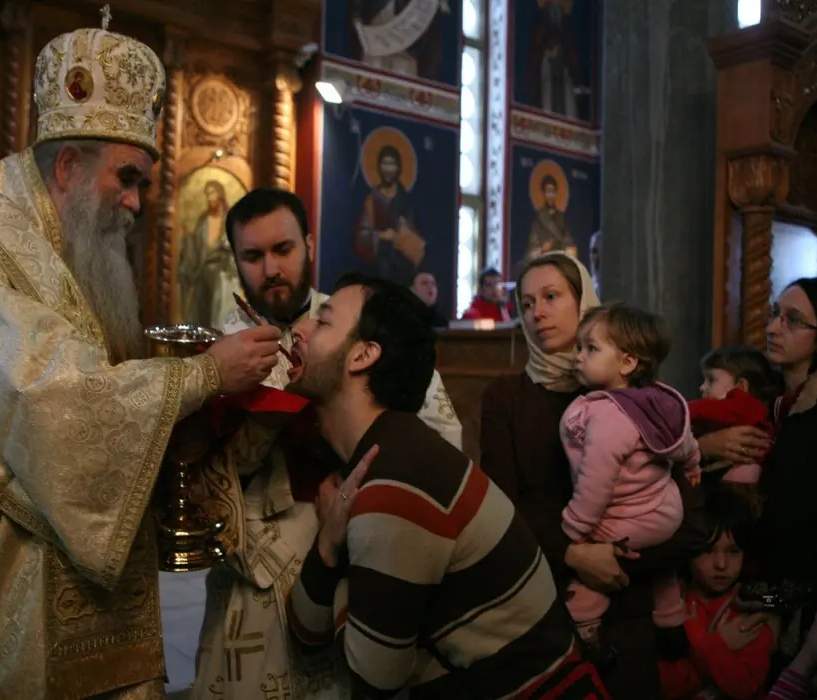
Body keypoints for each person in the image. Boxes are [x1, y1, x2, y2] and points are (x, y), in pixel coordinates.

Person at [0, 20, 282, 699]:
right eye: (128, 177)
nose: (138, 203)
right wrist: (202, 374)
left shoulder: (66, 261)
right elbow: (49, 400)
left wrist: (179, 435)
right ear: (69, 167)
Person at [189, 188, 462, 699]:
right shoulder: (221, 352)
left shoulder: (359, 322)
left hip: (351, 570)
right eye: (253, 256)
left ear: (309, 244)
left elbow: (440, 439)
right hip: (251, 582)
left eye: (284, 250)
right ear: (236, 262)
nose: (271, 268)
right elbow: (199, 485)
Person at [285, 273, 609, 699]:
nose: (299, 331)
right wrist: (328, 544)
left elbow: (376, 680)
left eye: (322, 323)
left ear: (362, 354)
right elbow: (304, 634)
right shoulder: (370, 462)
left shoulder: (399, 481)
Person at [479, 252, 707, 699]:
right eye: (526, 303)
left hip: (631, 608)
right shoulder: (505, 397)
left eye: (551, 296)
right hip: (543, 609)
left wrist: (615, 561)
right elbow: (503, 510)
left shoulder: (633, 391)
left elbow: (685, 516)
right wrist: (574, 555)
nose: (537, 312)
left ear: (584, 302)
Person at [560, 302, 701, 656]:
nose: (578, 357)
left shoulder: (609, 415)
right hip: (666, 513)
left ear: (627, 363)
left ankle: (586, 629)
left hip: (627, 521)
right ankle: (671, 618)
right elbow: (684, 442)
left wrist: (576, 530)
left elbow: (596, 481)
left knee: (594, 559)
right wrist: (692, 465)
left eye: (591, 349)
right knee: (661, 569)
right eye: (579, 347)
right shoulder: (656, 402)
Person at [751, 277, 817, 693]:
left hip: (816, 608)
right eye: (775, 314)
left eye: (793, 320)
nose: (773, 328)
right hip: (771, 595)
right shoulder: (773, 404)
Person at [659, 487, 776, 700]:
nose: (721, 565)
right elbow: (668, 687)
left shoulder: (750, 607)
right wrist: (720, 645)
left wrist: (701, 642)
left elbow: (745, 686)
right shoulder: (670, 604)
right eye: (707, 550)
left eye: (733, 552)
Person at [689, 346, 782, 509]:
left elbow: (707, 410)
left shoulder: (746, 405)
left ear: (741, 387)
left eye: (711, 380)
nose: (702, 387)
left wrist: (679, 410)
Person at [354, 145, 424, 286]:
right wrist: (380, 236)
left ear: (398, 168)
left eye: (392, 164)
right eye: (384, 164)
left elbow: (416, 241)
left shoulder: (405, 200)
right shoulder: (373, 198)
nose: (388, 169)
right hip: (378, 269)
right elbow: (361, 235)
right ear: (379, 167)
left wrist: (403, 234)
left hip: (402, 271)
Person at [176, 179, 240, 328]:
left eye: (212, 193)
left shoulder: (230, 220)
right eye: (207, 194)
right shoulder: (203, 220)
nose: (210, 197)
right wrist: (186, 239)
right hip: (202, 273)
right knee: (199, 317)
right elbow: (195, 247)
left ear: (220, 194)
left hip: (222, 275)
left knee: (219, 318)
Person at [526, 176, 576, 261]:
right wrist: (543, 248)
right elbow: (532, 249)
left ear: (556, 193)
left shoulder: (561, 218)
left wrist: (568, 248)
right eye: (548, 192)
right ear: (544, 194)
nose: (550, 195)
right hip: (543, 261)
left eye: (552, 191)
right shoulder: (538, 220)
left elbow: (568, 240)